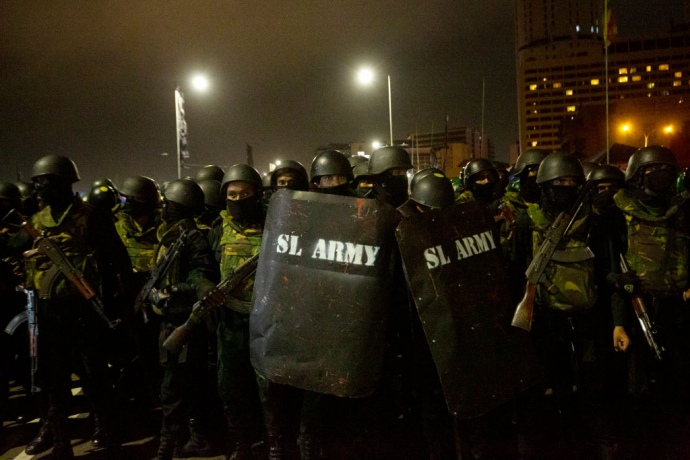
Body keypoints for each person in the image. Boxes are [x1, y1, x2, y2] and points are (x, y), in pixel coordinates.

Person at [22, 154, 133, 459]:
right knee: (52, 378)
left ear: (62, 183)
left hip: (84, 309)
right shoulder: (36, 220)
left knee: (94, 375)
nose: (39, 188)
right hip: (48, 310)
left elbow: (118, 261)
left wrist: (120, 303)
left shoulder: (92, 216)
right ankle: (60, 439)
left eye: (44, 182)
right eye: (36, 183)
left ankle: (106, 430)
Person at [512, 152, 608, 459]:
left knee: (589, 381)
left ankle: (586, 438)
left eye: (570, 182)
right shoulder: (528, 221)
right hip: (545, 315)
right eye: (558, 182)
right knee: (552, 382)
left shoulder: (591, 219)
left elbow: (603, 265)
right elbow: (518, 266)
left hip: (585, 315)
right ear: (544, 186)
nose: (565, 187)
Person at [609, 146, 690, 458]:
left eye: (665, 170)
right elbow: (612, 270)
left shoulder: (681, 210)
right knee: (637, 390)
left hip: (676, 311)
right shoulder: (619, 214)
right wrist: (619, 322)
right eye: (652, 170)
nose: (660, 176)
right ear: (637, 176)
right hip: (636, 311)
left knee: (676, 385)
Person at [150, 178, 220, 460]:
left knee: (176, 387)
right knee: (182, 384)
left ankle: (171, 442)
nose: (164, 209)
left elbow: (203, 278)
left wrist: (174, 290)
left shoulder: (192, 238)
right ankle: (194, 436)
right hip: (170, 318)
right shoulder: (169, 235)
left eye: (169, 204)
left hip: (186, 321)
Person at [208, 164, 266, 459]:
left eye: (245, 193)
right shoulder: (218, 229)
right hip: (230, 322)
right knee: (230, 386)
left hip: (268, 321)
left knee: (268, 387)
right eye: (232, 195)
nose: (239, 199)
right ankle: (241, 441)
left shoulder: (274, 224)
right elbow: (202, 267)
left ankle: (272, 440)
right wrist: (203, 286)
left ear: (257, 194)